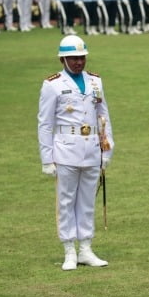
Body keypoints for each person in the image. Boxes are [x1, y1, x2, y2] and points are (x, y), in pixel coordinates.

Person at [37, 35, 114, 271]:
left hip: (91, 147)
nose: (79, 62)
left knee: (87, 201)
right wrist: (47, 158)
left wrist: (107, 148)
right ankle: (69, 250)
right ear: (63, 59)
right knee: (67, 200)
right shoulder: (53, 85)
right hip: (66, 149)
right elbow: (45, 123)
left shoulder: (95, 82)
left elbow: (104, 116)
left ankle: (86, 249)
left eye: (81, 57)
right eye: (73, 58)